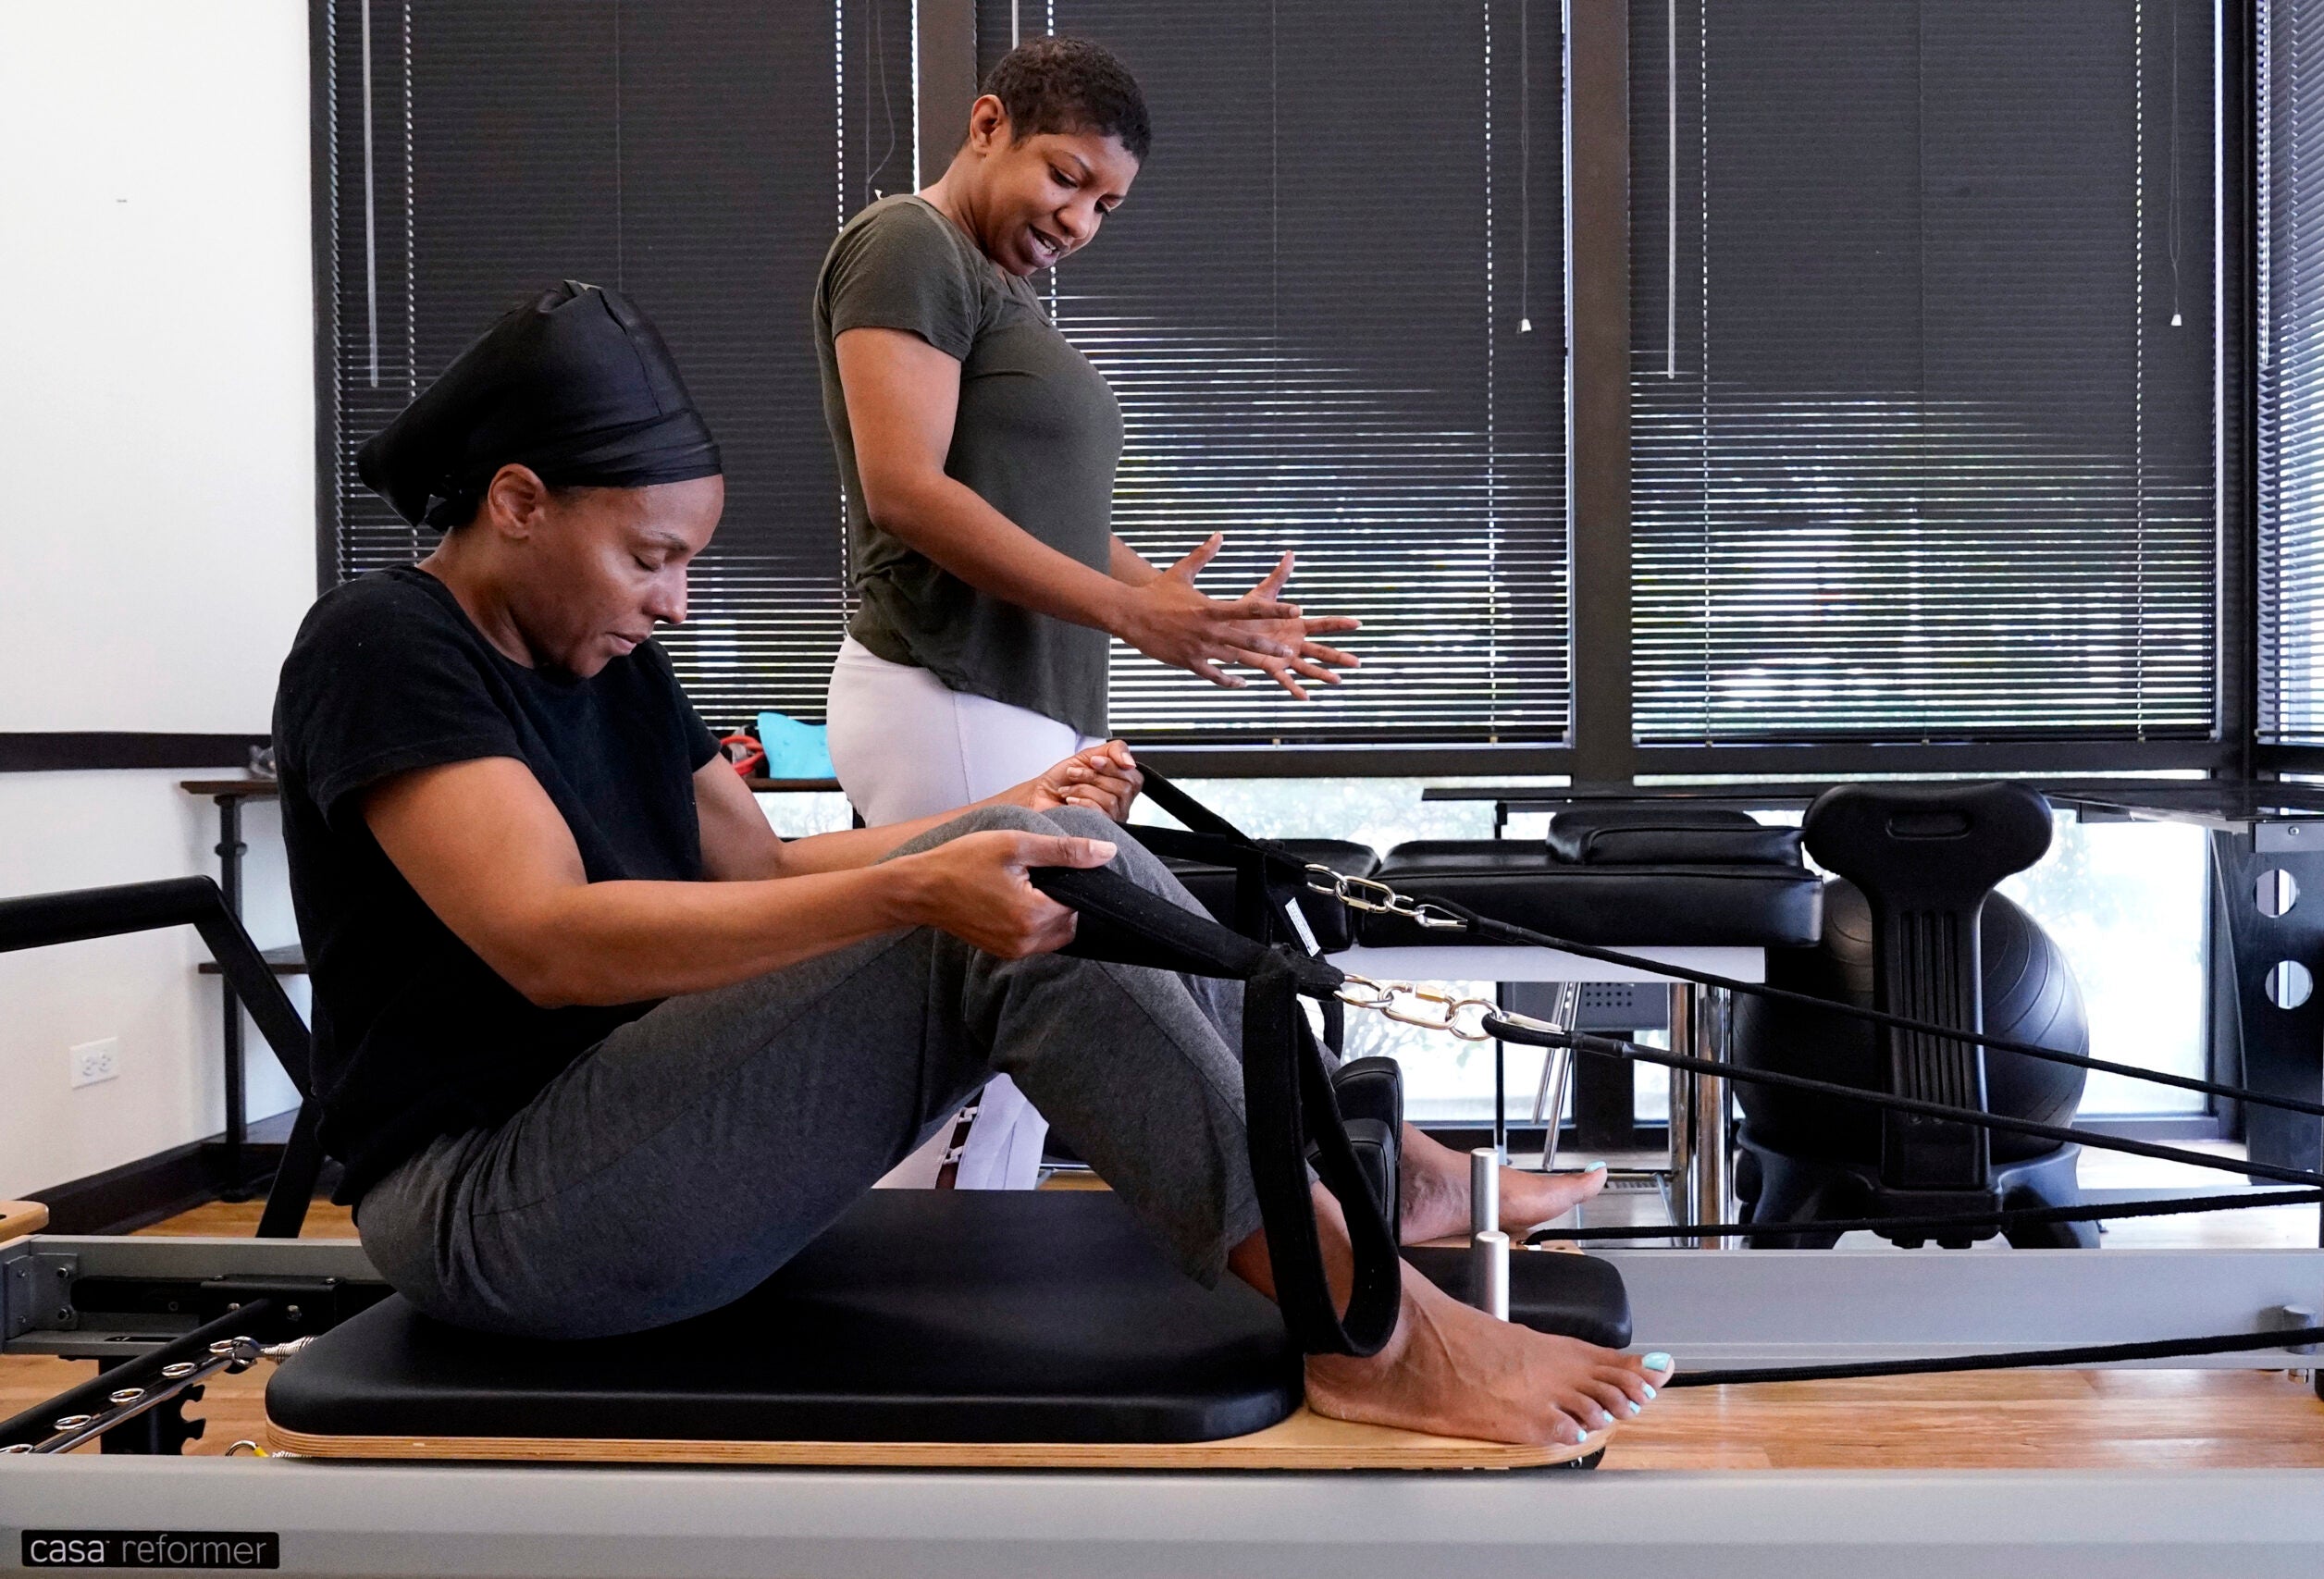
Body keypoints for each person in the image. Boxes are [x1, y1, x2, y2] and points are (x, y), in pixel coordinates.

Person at [273, 281, 1670, 1448]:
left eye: (685, 565)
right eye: (650, 557)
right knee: (1013, 906)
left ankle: (1360, 1183)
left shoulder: (611, 656)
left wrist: (1008, 812)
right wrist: (919, 887)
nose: (676, 599)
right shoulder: (386, 643)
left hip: (619, 1140)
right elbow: (548, 937)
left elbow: (752, 867)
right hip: (498, 1212)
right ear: (519, 501)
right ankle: (1374, 1331)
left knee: (1069, 850)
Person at [817, 35, 1363, 1187]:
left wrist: (1161, 600)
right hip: (949, 689)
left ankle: (963, 1319)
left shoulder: (987, 284)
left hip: (1003, 700)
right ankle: (932, 1317)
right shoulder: (907, 245)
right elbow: (907, 492)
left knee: (1012, 1068)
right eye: (1064, 178)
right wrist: (1132, 617)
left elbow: (1022, 502)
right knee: (996, 1055)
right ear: (985, 126)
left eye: (1104, 206)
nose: (1077, 223)